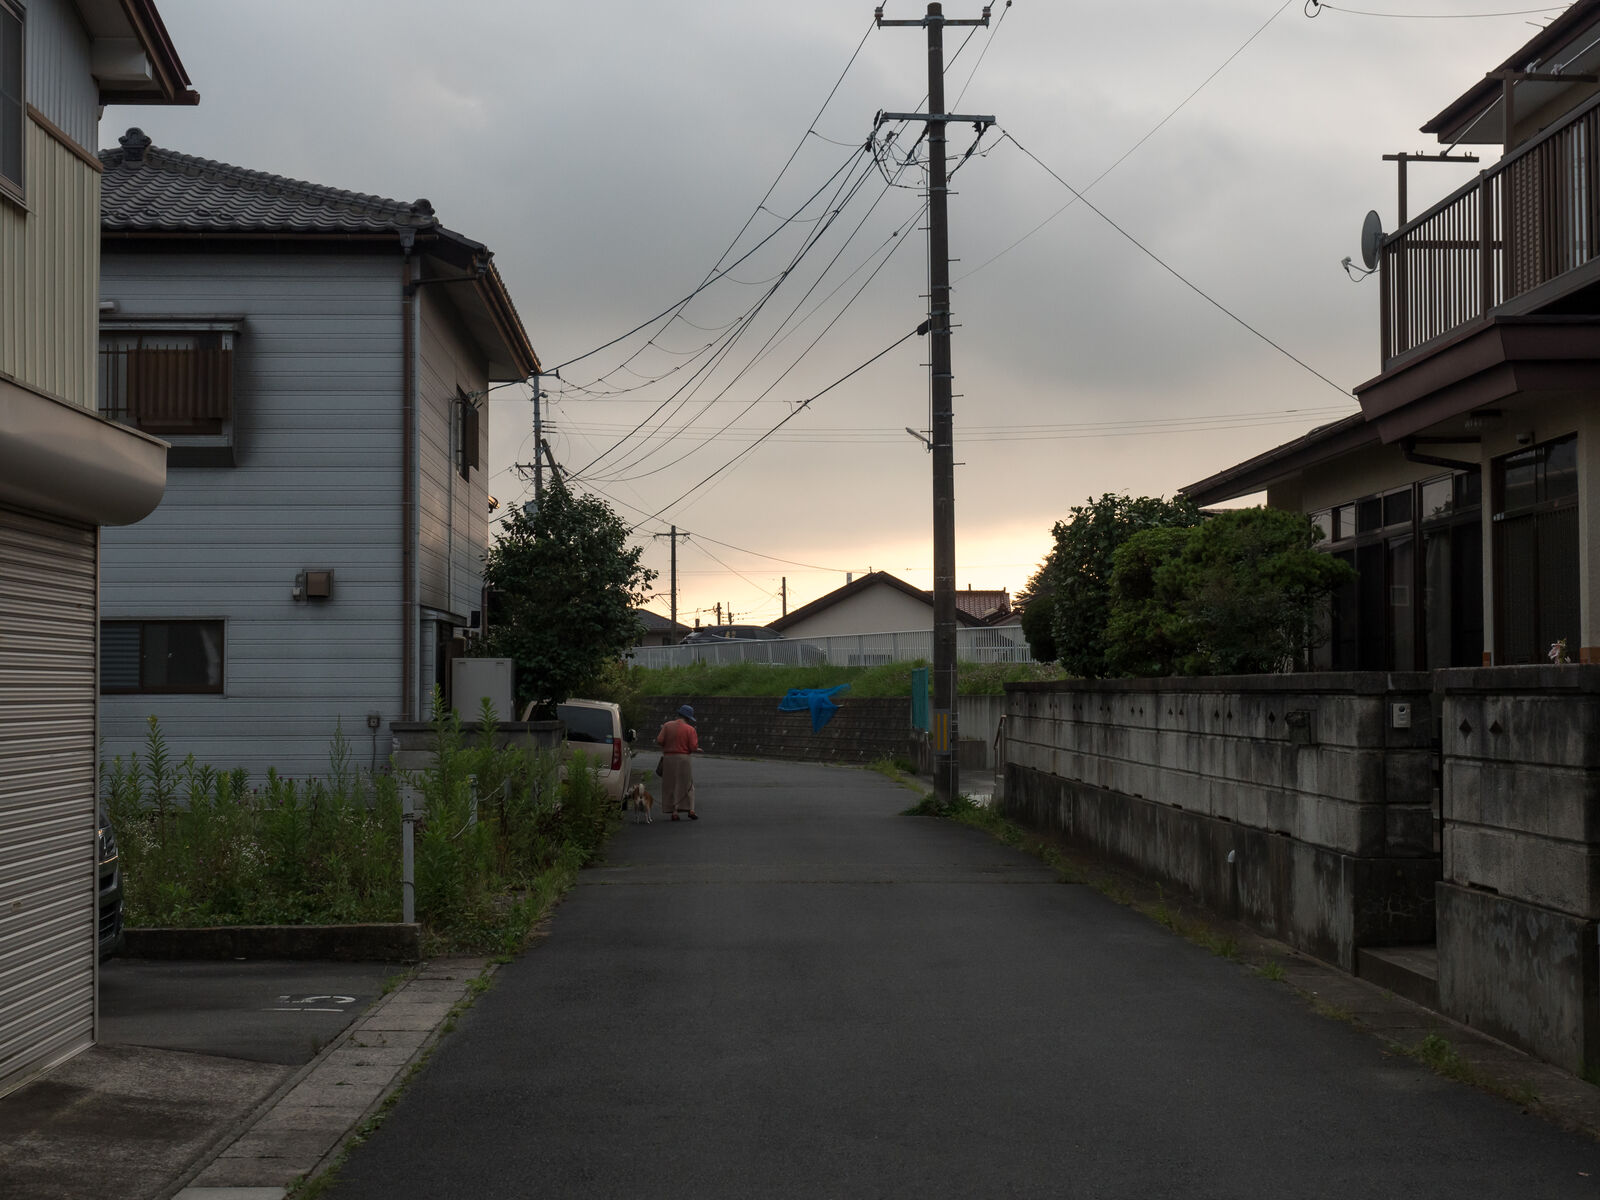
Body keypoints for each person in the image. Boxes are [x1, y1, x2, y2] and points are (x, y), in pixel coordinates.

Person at [656, 703, 699, 821]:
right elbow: (693, 747)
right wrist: (696, 749)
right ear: (688, 718)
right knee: (687, 784)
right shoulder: (690, 729)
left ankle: (674, 812)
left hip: (669, 758)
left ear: (679, 714)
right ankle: (691, 809)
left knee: (671, 784)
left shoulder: (667, 725)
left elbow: (660, 740)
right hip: (683, 759)